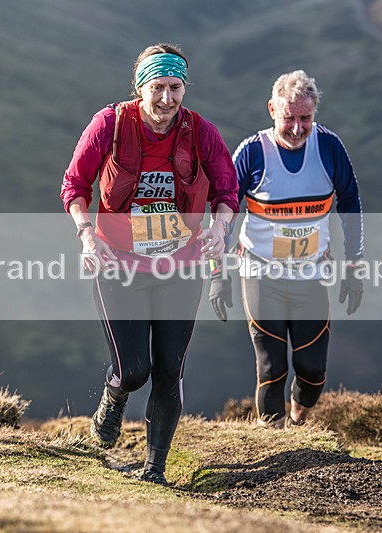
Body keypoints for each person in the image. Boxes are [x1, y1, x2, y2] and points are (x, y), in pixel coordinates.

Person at [61, 44, 238, 485]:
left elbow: (226, 192)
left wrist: (219, 229)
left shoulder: (201, 132)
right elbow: (74, 184)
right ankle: (114, 392)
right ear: (139, 88)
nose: (166, 99)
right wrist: (85, 235)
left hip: (181, 266)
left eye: (175, 88)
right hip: (117, 262)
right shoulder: (111, 124)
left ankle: (154, 469)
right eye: (157, 88)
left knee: (168, 369)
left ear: (185, 88)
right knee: (134, 370)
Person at [208, 70, 364, 428]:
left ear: (315, 114)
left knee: (313, 373)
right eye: (288, 118)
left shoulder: (328, 147)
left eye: (305, 118)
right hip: (261, 271)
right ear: (272, 110)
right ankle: (276, 440)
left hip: (311, 271)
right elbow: (224, 212)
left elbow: (351, 205)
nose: (296, 128)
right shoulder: (252, 152)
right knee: (271, 366)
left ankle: (296, 420)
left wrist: (355, 270)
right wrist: (218, 275)